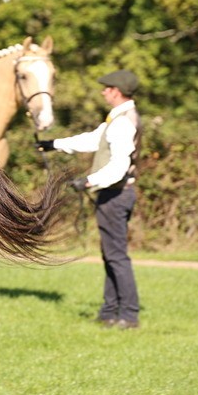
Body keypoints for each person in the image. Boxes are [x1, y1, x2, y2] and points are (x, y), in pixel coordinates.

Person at [37, 69, 142, 329]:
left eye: (107, 88)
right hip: (114, 194)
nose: (103, 92)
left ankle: (128, 315)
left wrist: (88, 181)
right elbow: (94, 140)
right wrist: (55, 144)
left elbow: (119, 165)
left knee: (116, 256)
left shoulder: (122, 122)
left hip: (115, 194)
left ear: (116, 92)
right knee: (111, 254)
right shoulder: (117, 118)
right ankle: (109, 311)